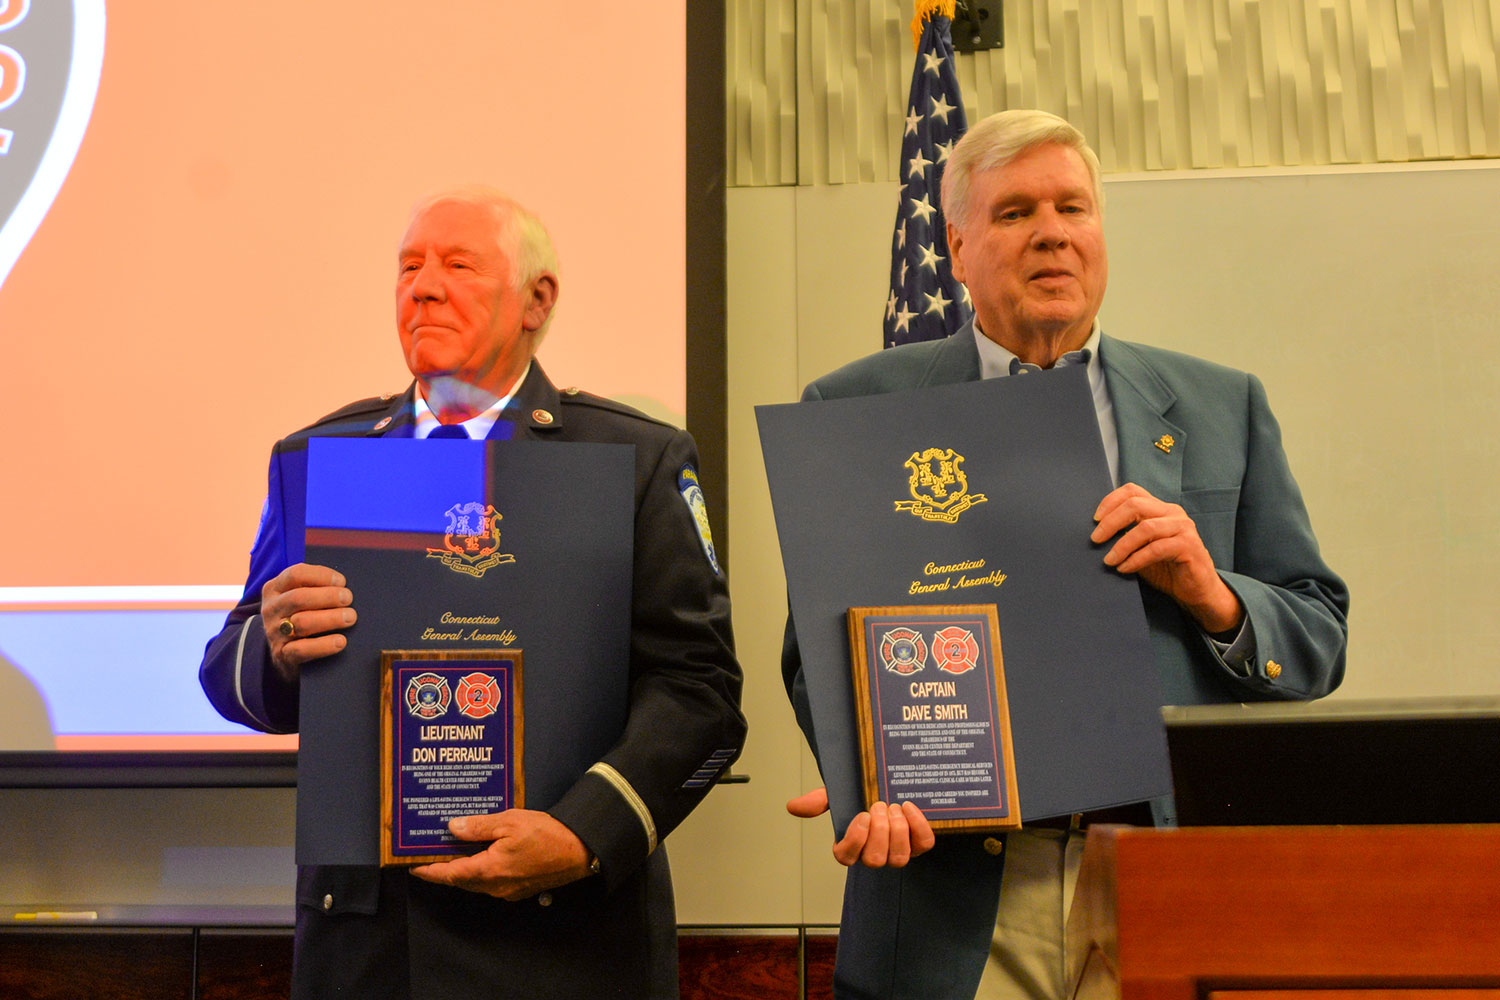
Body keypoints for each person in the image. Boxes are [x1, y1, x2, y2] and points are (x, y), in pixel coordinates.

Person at [782, 110, 1348, 1000]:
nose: (1051, 232)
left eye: (1073, 208)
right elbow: (815, 653)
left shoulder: (1220, 405)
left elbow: (1317, 638)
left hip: (1164, 879)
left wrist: (1214, 593)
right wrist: (860, 778)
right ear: (958, 245)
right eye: (1014, 213)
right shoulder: (857, 408)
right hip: (954, 897)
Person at [200, 188, 745, 1000]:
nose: (421, 286)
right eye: (409, 267)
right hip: (369, 947)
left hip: (569, 944)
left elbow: (703, 696)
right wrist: (273, 645)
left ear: (538, 299)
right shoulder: (323, 455)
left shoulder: (632, 458)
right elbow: (231, 675)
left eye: (457, 265)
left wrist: (581, 831)